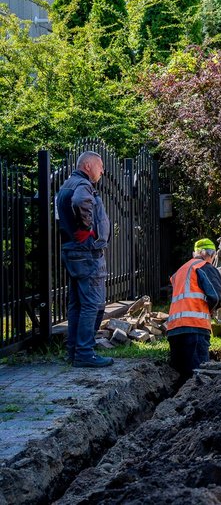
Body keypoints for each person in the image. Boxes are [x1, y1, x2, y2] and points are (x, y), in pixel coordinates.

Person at [56, 151, 113, 368]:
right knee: (93, 305)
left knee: (77, 304)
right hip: (87, 254)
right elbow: (81, 202)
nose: (102, 171)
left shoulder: (67, 185)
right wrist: (86, 228)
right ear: (88, 166)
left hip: (73, 252)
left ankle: (74, 351)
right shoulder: (82, 185)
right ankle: (85, 353)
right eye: (100, 166)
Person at [166, 238, 221, 378]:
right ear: (212, 254)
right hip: (195, 327)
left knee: (181, 375)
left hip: (174, 330)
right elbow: (216, 297)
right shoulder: (204, 267)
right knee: (198, 376)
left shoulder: (180, 270)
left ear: (195, 253)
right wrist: (212, 311)